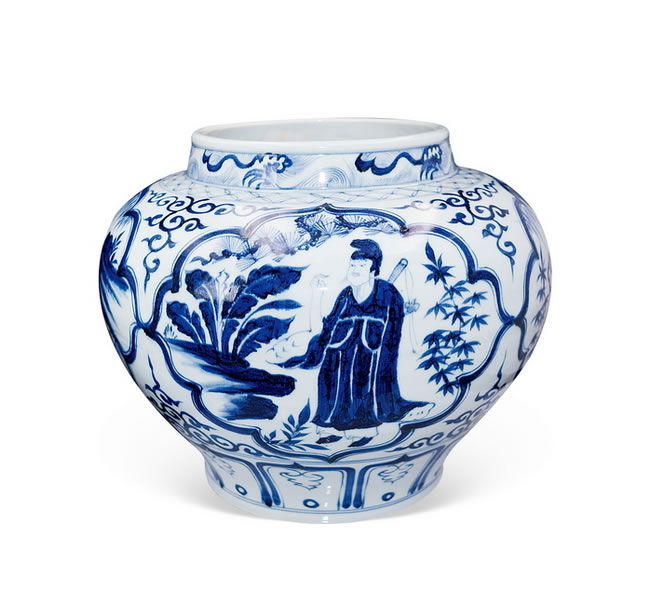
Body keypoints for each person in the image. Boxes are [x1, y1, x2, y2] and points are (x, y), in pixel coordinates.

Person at [278, 239, 429, 446]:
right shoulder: (346, 295)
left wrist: (398, 316)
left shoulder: (387, 293)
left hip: (369, 352)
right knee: (332, 385)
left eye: (361, 265)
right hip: (339, 353)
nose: (355, 270)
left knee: (362, 386)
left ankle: (364, 431)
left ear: (373, 270)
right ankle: (329, 428)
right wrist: (316, 299)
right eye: (353, 265)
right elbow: (329, 324)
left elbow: (393, 326)